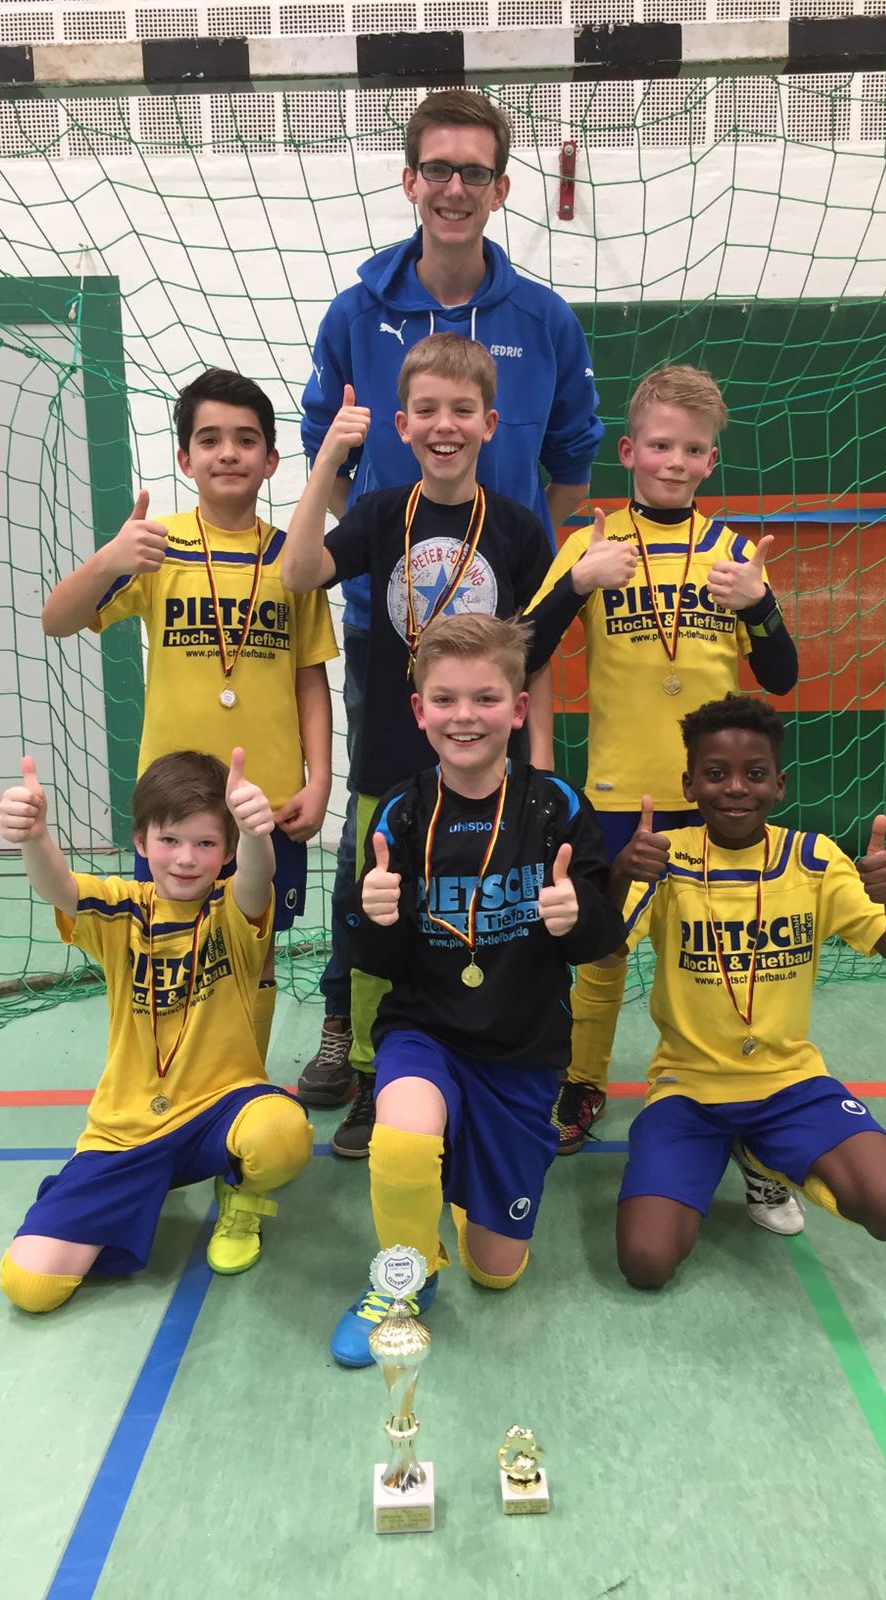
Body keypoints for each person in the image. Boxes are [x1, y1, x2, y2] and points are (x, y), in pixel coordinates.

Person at [297, 87, 603, 1140]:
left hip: (501, 638)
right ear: (410, 179)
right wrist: (393, 547)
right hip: (391, 639)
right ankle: (350, 1020)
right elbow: (328, 451)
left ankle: (490, 1030)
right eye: (439, 168)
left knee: (503, 837)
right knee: (378, 835)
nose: (455, 187)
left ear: (502, 187)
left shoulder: (544, 320)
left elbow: (570, 465)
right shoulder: (356, 310)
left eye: (475, 171)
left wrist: (519, 575)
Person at [285, 335, 623, 1158]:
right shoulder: (378, 513)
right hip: (391, 761)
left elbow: (532, 654)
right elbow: (297, 572)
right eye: (427, 411)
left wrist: (541, 761)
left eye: (463, 410)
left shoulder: (515, 526)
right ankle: (373, 1077)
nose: (446, 425)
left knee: (490, 917)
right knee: (376, 919)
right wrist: (328, 458)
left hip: (488, 769)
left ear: (490, 424)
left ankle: (490, 1061)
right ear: (401, 425)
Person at [527, 364, 801, 1226]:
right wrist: (578, 583)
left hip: (720, 801)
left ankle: (738, 1107)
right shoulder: (593, 540)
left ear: (711, 460)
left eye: (691, 450)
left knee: (722, 958)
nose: (674, 462)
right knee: (601, 954)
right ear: (628, 450)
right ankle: (582, 1085)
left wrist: (759, 605)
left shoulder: (735, 553)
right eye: (659, 446)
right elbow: (522, 650)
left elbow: (782, 677)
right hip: (618, 795)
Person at [327, 614, 625, 1366]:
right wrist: (373, 914)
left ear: (519, 710)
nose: (465, 716)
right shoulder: (401, 812)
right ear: (419, 710)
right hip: (425, 1029)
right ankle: (402, 1277)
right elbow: (376, 958)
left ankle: (463, 1187)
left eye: (486, 698)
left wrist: (576, 914)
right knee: (401, 1136)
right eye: (446, 699)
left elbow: (600, 937)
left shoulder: (556, 806)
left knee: (497, 1272)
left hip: (521, 1051)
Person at [42, 368, 336, 1065]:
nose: (228, 452)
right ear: (184, 458)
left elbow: (310, 677)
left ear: (271, 459)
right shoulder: (156, 547)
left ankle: (242, 1080)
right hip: (174, 805)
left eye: (246, 440)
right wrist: (108, 559)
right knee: (163, 949)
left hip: (265, 803)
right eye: (209, 439)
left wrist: (320, 778)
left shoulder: (293, 559)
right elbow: (56, 619)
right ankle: (168, 1081)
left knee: (256, 949)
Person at [613, 695, 886, 1291]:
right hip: (688, 1088)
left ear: (779, 785)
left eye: (754, 773)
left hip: (789, 1082)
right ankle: (725, 1149)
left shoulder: (813, 859)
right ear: (689, 784)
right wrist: (620, 874)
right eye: (716, 773)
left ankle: (762, 1157)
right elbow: (602, 951)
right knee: (646, 1262)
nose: (735, 788)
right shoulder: (667, 860)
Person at [0, 748, 314, 1312]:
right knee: (30, 1285)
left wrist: (255, 831)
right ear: (141, 841)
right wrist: (34, 837)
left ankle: (239, 1195)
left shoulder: (232, 911)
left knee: (281, 1134)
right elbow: (59, 886)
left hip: (220, 1108)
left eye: (206, 843)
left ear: (227, 852)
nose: (187, 859)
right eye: (170, 840)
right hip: (127, 1130)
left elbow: (258, 878)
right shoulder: (119, 910)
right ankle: (133, 1191)